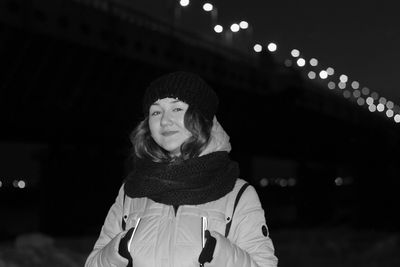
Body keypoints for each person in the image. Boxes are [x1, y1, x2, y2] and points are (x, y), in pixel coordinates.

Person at [85, 71, 278, 267]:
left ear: (201, 118)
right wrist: (116, 251)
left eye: (177, 109)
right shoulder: (131, 191)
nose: (164, 121)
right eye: (156, 112)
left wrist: (221, 253)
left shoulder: (237, 193)